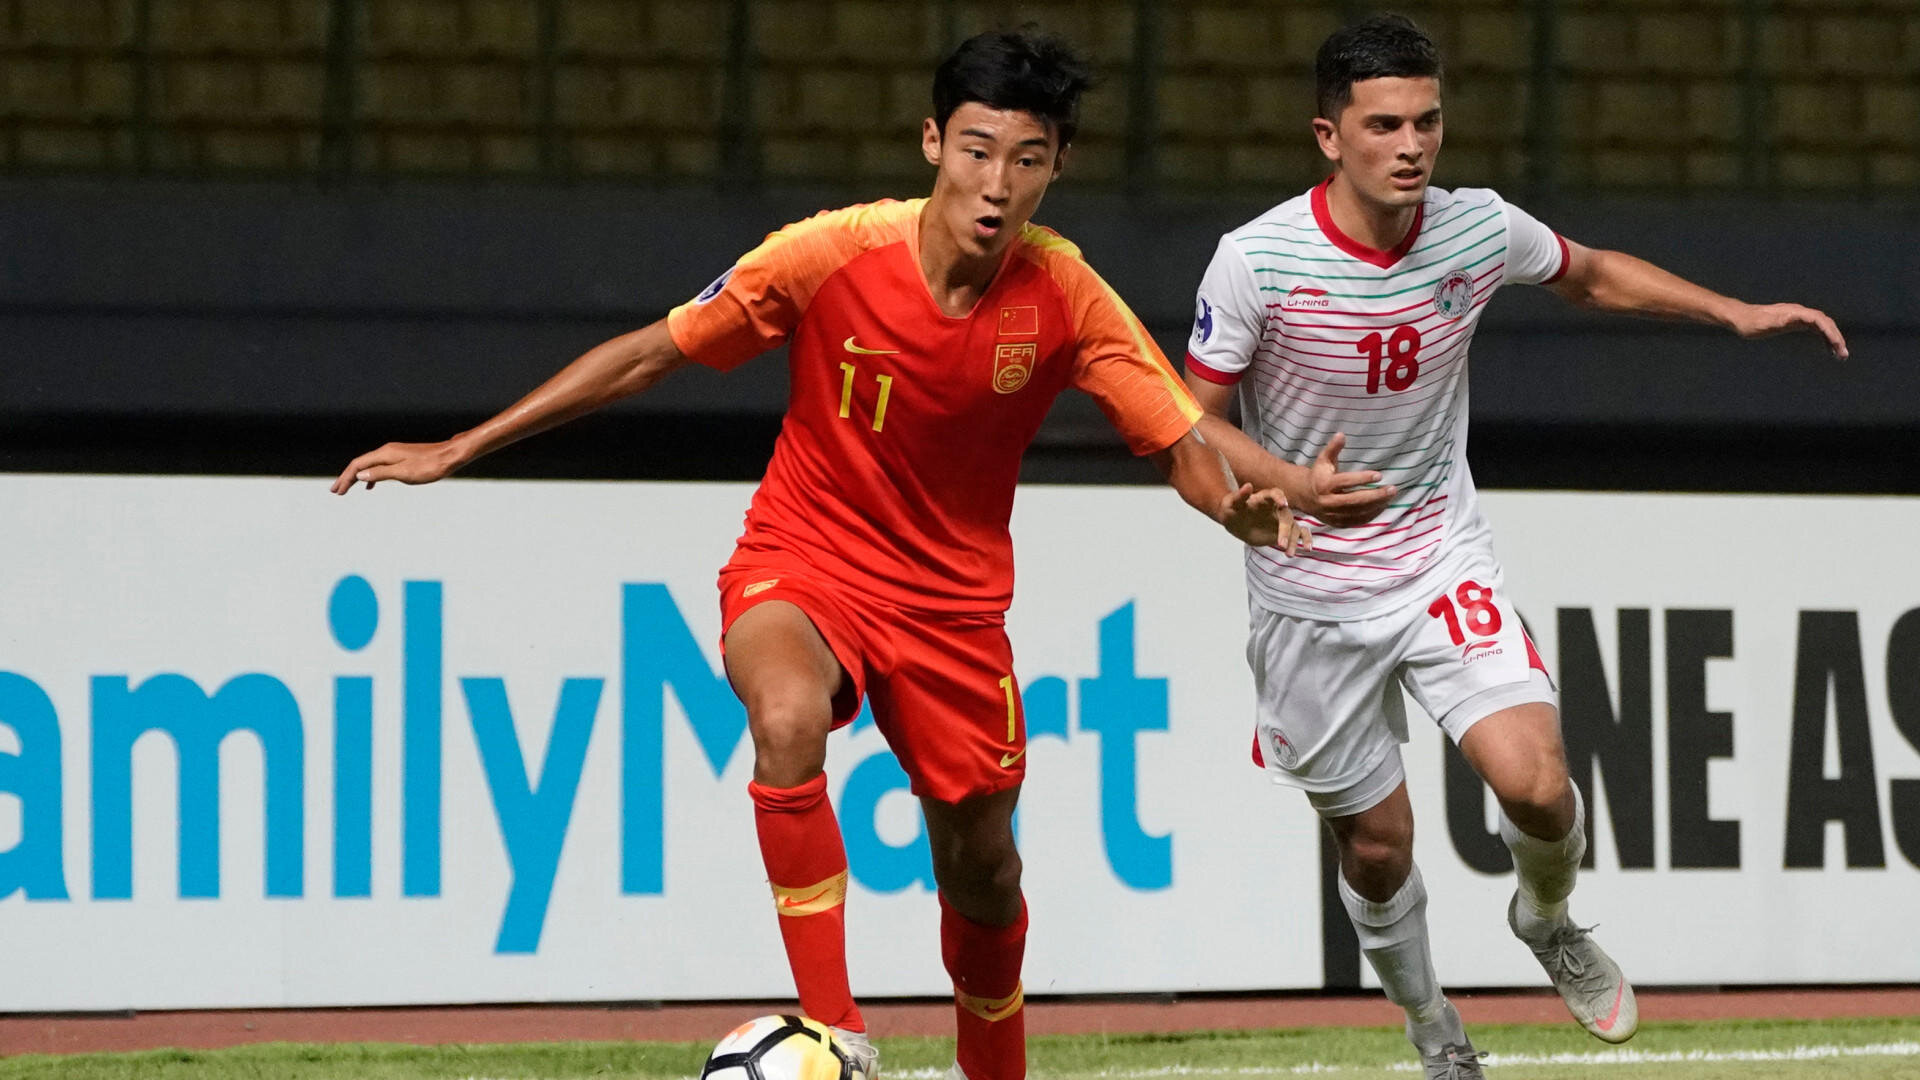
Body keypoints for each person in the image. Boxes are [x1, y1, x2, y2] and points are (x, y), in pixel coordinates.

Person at [333, 29, 1297, 1080]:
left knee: (983, 872)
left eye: (1027, 159)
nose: (996, 183)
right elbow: (652, 354)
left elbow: (1179, 441)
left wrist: (1233, 511)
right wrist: (462, 446)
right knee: (787, 718)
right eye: (976, 150)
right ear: (932, 142)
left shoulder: (1067, 296)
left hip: (953, 611)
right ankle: (838, 1035)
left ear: (1057, 165)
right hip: (804, 559)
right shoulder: (826, 253)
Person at [1180, 14, 1846, 1080]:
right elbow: (1190, 421)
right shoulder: (1256, 261)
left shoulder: (1477, 227)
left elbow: (1590, 273)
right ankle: (1434, 1030)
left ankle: (1548, 918)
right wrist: (1281, 491)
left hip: (1439, 557)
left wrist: (1731, 311)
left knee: (1537, 787)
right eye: (1385, 125)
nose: (1412, 146)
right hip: (1310, 589)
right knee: (1378, 848)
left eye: (1428, 121)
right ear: (1328, 136)